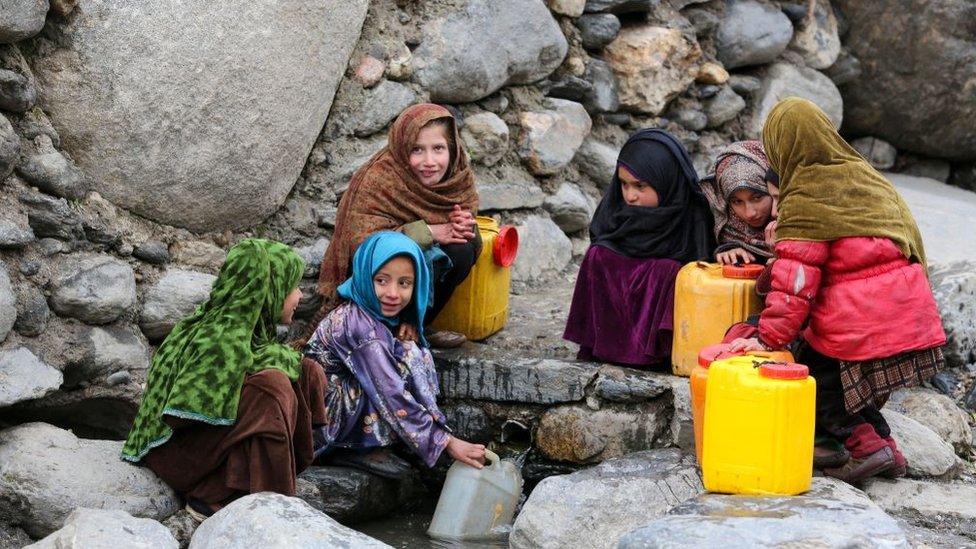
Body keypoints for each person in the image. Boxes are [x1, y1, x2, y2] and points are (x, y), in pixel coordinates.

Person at [729, 98, 947, 484]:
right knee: (853, 391)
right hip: (907, 311)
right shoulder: (867, 179)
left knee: (818, 383)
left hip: (859, 318)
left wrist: (767, 337)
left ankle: (867, 451)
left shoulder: (805, 196)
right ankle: (890, 453)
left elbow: (796, 282)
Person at [122, 239, 326, 521]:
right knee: (271, 388)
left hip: (204, 449)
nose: (300, 295)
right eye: (292, 287)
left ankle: (249, 484)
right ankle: (254, 506)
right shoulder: (217, 339)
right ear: (267, 292)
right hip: (174, 455)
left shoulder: (253, 333)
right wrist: (254, 397)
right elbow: (183, 418)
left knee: (304, 372)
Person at [303, 231, 486, 477]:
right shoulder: (360, 327)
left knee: (412, 351)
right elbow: (389, 390)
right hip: (323, 420)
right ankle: (352, 448)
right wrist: (447, 443)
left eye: (404, 283)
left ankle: (419, 436)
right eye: (381, 281)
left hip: (345, 396)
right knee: (393, 377)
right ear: (366, 278)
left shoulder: (378, 313)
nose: (393, 293)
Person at [306, 103, 480, 349]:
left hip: (410, 281)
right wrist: (430, 231)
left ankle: (417, 324)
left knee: (466, 243)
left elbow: (464, 208)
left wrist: (460, 221)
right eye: (417, 149)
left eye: (438, 149)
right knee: (403, 257)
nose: (429, 161)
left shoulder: (457, 177)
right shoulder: (380, 178)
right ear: (402, 147)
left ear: (452, 150)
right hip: (375, 283)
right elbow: (364, 244)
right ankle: (384, 326)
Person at [563, 129, 715, 367]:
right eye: (624, 184)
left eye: (640, 186)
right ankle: (606, 346)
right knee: (598, 254)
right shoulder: (618, 213)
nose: (630, 196)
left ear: (666, 181)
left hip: (666, 349)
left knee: (674, 271)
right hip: (615, 321)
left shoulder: (691, 216)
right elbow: (604, 239)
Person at [698, 140, 778, 265]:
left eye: (757, 198)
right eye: (737, 201)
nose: (750, 213)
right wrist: (728, 253)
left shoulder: (801, 223)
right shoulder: (720, 229)